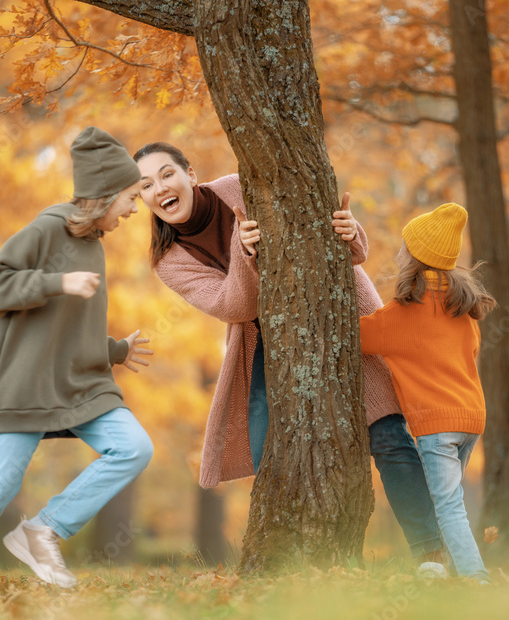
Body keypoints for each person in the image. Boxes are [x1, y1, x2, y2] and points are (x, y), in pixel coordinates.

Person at [135, 143, 447, 574]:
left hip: (339, 310)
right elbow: (235, 307)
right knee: (271, 449)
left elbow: (351, 253)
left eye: (166, 174)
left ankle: (435, 556)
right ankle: (294, 563)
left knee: (387, 433)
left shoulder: (241, 187)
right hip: (267, 338)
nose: (159, 189)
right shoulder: (170, 259)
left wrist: (348, 229)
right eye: (145, 185)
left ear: (190, 172)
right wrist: (245, 255)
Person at [0, 127, 155, 594]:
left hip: (78, 384)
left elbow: (65, 332)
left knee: (134, 447)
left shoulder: (95, 244)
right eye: (131, 196)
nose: (135, 208)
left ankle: (43, 529)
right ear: (106, 193)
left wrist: (115, 351)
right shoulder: (47, 228)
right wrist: (57, 283)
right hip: (22, 385)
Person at [358, 203, 495, 582]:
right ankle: (442, 570)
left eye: (404, 246)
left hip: (437, 427)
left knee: (449, 507)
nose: (399, 252)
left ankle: (476, 579)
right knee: (445, 502)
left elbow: (353, 336)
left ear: (415, 258)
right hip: (471, 419)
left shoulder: (401, 315)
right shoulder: (462, 310)